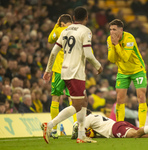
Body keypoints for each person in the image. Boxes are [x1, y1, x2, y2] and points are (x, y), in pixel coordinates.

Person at [42, 6, 103, 144]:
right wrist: (98, 66)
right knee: (77, 105)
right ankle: (50, 125)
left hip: (64, 70)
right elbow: (88, 54)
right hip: (76, 72)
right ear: (86, 18)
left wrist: (48, 70)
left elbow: (53, 52)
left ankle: (81, 135)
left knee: (84, 100)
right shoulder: (86, 31)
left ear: (74, 18)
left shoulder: (65, 31)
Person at [107, 19, 147, 127]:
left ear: (121, 30)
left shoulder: (129, 38)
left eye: (114, 29)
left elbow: (125, 57)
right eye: (110, 29)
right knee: (120, 99)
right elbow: (111, 58)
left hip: (137, 70)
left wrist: (116, 44)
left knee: (141, 97)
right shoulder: (109, 40)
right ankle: (119, 126)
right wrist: (113, 45)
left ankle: (142, 128)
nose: (111, 32)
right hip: (123, 71)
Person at [71, 110, 148, 139]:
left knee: (135, 134)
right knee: (147, 135)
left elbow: (78, 130)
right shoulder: (95, 117)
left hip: (114, 129)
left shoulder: (88, 118)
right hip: (119, 124)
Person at [48, 14, 73, 139]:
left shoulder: (58, 30)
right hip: (72, 70)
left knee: (56, 98)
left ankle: (54, 129)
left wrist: (56, 26)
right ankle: (76, 127)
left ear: (62, 23)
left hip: (59, 69)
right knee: (73, 99)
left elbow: (50, 39)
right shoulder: (76, 31)